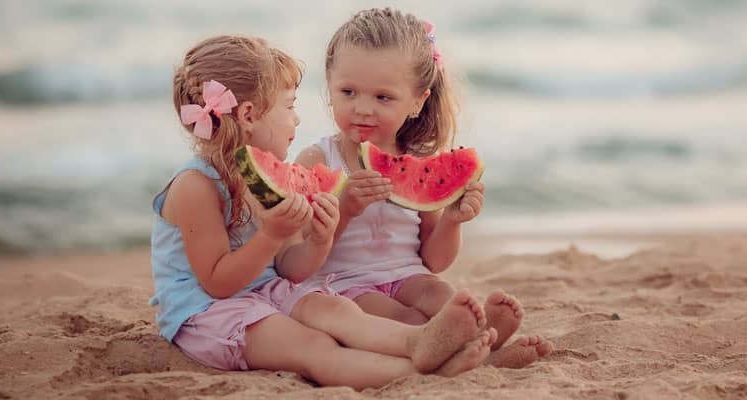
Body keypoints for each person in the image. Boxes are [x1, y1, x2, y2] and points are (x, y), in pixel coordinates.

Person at [150, 35, 492, 390]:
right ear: (249, 115)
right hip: (207, 312)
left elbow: (291, 268)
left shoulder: (264, 177)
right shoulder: (195, 187)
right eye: (289, 106)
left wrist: (320, 237)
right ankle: (425, 374)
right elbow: (218, 283)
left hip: (267, 290)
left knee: (337, 311)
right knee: (315, 346)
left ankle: (417, 341)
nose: (297, 120)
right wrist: (271, 235)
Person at [294, 8, 552, 368]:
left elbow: (434, 260)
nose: (363, 109)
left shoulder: (421, 165)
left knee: (445, 295)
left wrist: (452, 220)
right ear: (329, 87)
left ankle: (477, 343)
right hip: (345, 285)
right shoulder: (317, 159)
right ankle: (477, 356)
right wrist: (346, 208)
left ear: (417, 101)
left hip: (409, 275)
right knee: (410, 321)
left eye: (383, 97)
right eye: (348, 92)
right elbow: (299, 257)